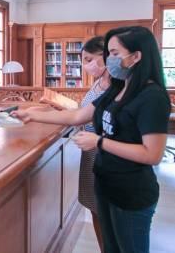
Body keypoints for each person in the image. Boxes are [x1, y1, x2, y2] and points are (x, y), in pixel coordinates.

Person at [12, 26, 171, 253]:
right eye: (108, 53)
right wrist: (32, 115)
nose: (110, 59)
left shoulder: (152, 96)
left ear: (136, 56)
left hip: (131, 192)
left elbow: (152, 154)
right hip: (106, 184)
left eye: (115, 54)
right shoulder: (117, 88)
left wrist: (99, 142)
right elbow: (78, 115)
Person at [77, 36, 110, 252]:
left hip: (103, 152)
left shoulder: (116, 86)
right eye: (84, 60)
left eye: (90, 58)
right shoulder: (98, 82)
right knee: (95, 209)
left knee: (106, 212)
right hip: (89, 155)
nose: (87, 65)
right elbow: (82, 114)